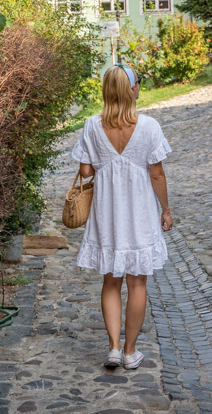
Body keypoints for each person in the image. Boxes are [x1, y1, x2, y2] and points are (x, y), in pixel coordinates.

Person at [72, 63, 173, 370]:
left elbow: (86, 170)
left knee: (111, 282)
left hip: (108, 214)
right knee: (138, 282)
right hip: (140, 213)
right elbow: (156, 174)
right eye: (138, 82)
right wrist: (166, 209)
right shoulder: (149, 127)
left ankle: (113, 348)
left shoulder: (92, 125)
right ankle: (130, 351)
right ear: (132, 89)